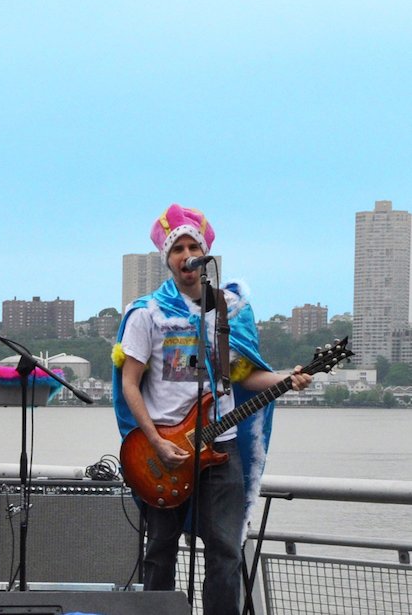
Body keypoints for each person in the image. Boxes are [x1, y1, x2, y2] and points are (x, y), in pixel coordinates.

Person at [113, 204, 310, 615]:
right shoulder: (146, 312)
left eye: (192, 247)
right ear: (167, 259)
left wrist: (286, 379)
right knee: (160, 549)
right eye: (177, 249)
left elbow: (243, 377)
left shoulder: (228, 311)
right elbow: (129, 383)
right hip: (164, 448)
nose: (186, 256)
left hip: (222, 448)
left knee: (225, 549)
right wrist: (154, 441)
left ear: (206, 256)